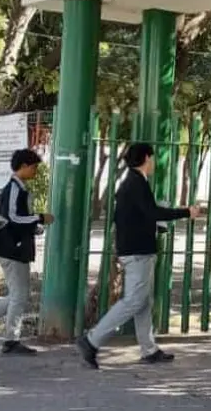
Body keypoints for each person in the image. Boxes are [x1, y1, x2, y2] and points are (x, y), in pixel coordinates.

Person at [75, 142, 202, 369]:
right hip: (138, 251)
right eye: (152, 158)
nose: (153, 162)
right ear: (146, 158)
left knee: (143, 301)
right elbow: (152, 212)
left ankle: (149, 349)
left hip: (134, 249)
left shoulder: (132, 183)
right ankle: (92, 340)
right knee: (134, 300)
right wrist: (186, 212)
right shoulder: (136, 184)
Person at [0, 149, 53, 355]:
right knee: (19, 296)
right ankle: (10, 339)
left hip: (13, 247)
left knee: (18, 295)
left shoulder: (19, 188)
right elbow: (13, 218)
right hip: (12, 248)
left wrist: (34, 225)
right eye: (33, 167)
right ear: (23, 166)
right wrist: (40, 218)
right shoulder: (15, 188)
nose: (35, 172)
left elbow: (19, 219)